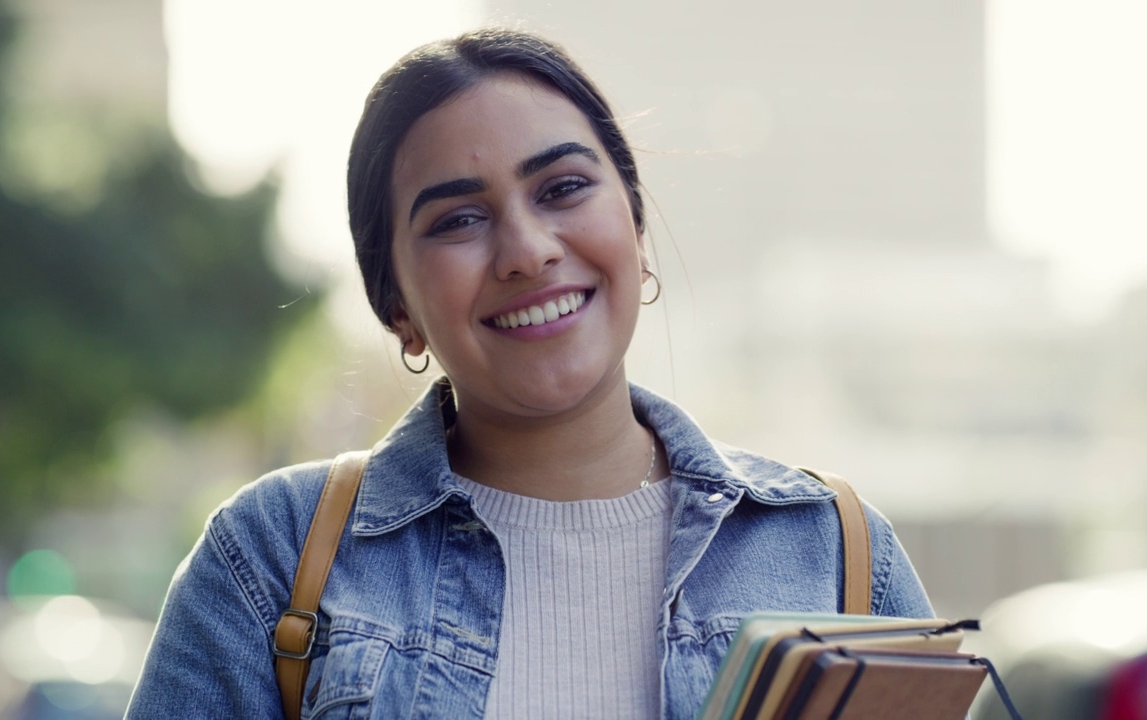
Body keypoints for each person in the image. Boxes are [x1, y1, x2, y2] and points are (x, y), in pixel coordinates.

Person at [125, 28, 933, 719]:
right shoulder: (272, 558)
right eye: (459, 220)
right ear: (397, 306)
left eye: (565, 187)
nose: (528, 251)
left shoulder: (834, 552)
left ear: (635, 223)